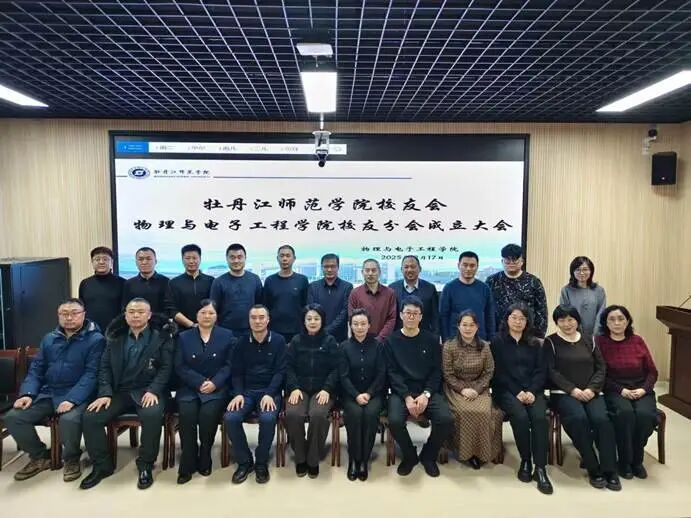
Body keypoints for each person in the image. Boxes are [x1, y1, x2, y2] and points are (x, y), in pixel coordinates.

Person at [5, 299, 104, 482]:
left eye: (74, 313)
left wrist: (72, 399)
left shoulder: (96, 340)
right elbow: (36, 369)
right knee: (14, 417)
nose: (69, 317)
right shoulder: (49, 338)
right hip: (48, 392)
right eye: (64, 314)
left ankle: (72, 458)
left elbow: (92, 374)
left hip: (79, 394)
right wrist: (27, 394)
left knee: (69, 419)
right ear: (58, 316)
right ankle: (40, 456)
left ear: (84, 315)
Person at [80, 298, 175, 490]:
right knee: (91, 416)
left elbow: (166, 368)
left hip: (148, 390)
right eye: (131, 312)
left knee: (152, 414)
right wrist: (105, 393)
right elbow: (104, 367)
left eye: (141, 312)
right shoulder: (115, 337)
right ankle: (102, 465)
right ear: (125, 315)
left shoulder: (161, 337)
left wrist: (153, 390)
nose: (136, 315)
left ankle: (145, 465)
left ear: (149, 315)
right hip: (120, 391)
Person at [545, 304, 620, 491]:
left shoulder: (589, 340)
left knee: (602, 420)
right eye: (562, 320)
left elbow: (601, 367)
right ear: (556, 322)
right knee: (579, 419)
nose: (567, 323)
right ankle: (593, 468)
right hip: (564, 393)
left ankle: (610, 470)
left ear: (577, 320)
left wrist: (592, 389)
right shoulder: (551, 342)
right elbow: (551, 371)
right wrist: (573, 390)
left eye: (570, 319)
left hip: (592, 392)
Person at [385, 296, 453, 477]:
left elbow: (436, 371)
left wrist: (426, 394)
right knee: (394, 421)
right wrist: (406, 396)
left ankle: (428, 455)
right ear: (401, 315)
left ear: (421, 317)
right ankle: (410, 456)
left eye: (415, 313)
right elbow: (392, 373)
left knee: (445, 419)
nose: (411, 317)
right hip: (401, 392)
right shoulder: (391, 341)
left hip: (427, 391)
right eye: (408, 312)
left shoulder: (431, 339)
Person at [491, 303, 552, 494]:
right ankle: (525, 460)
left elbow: (541, 371)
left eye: (522, 318)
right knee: (520, 417)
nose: (518, 322)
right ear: (507, 319)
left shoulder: (536, 343)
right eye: (514, 317)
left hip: (534, 390)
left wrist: (532, 391)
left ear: (527, 322)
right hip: (507, 391)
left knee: (540, 418)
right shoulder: (497, 342)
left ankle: (540, 468)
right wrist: (517, 392)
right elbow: (499, 372)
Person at [225, 305, 287, 485]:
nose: (257, 321)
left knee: (268, 419)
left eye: (261, 317)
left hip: (270, 391)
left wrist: (270, 393)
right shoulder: (241, 342)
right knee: (231, 417)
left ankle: (261, 462)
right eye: (253, 317)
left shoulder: (279, 341)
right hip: (246, 392)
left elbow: (280, 371)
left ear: (268, 320)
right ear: (249, 320)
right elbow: (236, 372)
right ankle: (245, 462)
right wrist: (238, 393)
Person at [174, 300, 234, 484]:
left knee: (208, 415)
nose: (207, 316)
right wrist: (199, 382)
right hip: (190, 387)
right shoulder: (183, 337)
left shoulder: (226, 335)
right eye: (203, 313)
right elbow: (180, 366)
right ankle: (188, 459)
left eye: (211, 313)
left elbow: (229, 365)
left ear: (216, 316)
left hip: (217, 387)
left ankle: (205, 454)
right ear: (196, 315)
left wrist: (215, 383)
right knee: (187, 414)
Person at [596, 305, 658, 480]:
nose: (617, 323)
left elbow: (652, 372)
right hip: (615, 389)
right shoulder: (599, 342)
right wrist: (620, 390)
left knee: (645, 416)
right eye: (612, 319)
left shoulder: (637, 340)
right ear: (605, 322)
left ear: (628, 321)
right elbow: (599, 374)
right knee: (625, 414)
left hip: (641, 389)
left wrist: (643, 389)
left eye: (621, 319)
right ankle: (624, 462)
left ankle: (637, 461)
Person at [284, 304, 340, 478]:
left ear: (322, 321)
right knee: (293, 414)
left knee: (318, 414)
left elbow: (336, 369)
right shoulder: (296, 341)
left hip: (322, 390)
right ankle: (301, 457)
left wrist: (327, 389)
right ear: (303, 321)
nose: (313, 322)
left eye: (316, 318)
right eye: (309, 319)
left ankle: (312, 459)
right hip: (299, 389)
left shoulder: (330, 341)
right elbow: (288, 367)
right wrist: (294, 387)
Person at [442, 310, 502, 470]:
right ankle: (466, 453)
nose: (468, 328)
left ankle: (481, 453)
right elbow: (447, 374)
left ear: (477, 327)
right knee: (464, 411)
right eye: (464, 325)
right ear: (458, 326)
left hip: (479, 387)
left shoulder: (485, 346)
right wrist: (463, 389)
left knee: (484, 412)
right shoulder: (449, 346)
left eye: (471, 325)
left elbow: (489, 371)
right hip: (455, 388)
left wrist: (476, 389)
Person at [339, 308, 385, 481]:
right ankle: (354, 458)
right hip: (351, 394)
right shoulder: (344, 347)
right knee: (355, 415)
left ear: (369, 325)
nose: (359, 327)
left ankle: (364, 459)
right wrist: (356, 395)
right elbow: (343, 376)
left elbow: (381, 374)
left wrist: (369, 393)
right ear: (350, 326)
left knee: (371, 415)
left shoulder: (378, 346)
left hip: (374, 393)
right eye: (356, 324)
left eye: (363, 324)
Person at [486, 244, 548, 338]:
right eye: (507, 260)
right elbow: (486, 309)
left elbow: (541, 311)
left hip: (527, 336)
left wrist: (539, 337)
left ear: (522, 261)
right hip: (498, 336)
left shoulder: (533, 282)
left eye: (514, 259)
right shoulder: (492, 281)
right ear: (502, 261)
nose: (511, 263)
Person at [440, 251, 495, 341]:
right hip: (455, 341)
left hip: (480, 340)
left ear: (477, 267)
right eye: (465, 265)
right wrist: (445, 340)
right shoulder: (449, 288)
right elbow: (443, 316)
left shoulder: (485, 288)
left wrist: (491, 339)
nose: (468, 268)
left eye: (472, 265)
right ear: (458, 265)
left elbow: (489, 316)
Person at [210, 243, 263, 337]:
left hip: (251, 331)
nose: (236, 261)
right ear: (227, 259)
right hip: (226, 332)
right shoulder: (218, 282)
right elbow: (213, 310)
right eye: (232, 257)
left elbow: (260, 306)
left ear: (245, 258)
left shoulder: (255, 279)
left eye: (239, 257)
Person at [263, 245, 309, 343]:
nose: (284, 259)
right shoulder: (270, 280)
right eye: (282, 256)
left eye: (288, 256)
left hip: (297, 330)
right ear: (277, 258)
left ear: (294, 258)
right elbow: (265, 306)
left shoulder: (302, 280)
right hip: (274, 329)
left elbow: (306, 305)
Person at [165, 244, 214, 331]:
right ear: (182, 260)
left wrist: (204, 324)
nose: (191, 261)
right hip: (182, 330)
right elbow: (172, 309)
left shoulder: (211, 281)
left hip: (207, 328)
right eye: (187, 258)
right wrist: (191, 325)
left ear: (200, 259)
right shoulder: (174, 283)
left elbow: (215, 306)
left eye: (194, 258)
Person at [348, 259, 397, 343]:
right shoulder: (355, 293)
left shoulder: (390, 293)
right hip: (361, 341)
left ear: (379, 272)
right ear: (362, 272)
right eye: (367, 270)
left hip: (383, 342)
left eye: (374, 270)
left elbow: (391, 319)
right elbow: (352, 318)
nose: (370, 273)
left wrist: (379, 339)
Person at [307, 253, 353, 342]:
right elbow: (311, 310)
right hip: (317, 336)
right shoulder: (313, 286)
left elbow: (345, 313)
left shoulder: (347, 287)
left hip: (340, 338)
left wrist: (327, 330)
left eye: (333, 266)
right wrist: (319, 330)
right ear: (322, 268)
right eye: (326, 266)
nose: (329, 269)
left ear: (338, 267)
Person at [79, 246, 125, 333]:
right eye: (97, 259)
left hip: (115, 332)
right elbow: (81, 309)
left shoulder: (123, 283)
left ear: (112, 262)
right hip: (90, 332)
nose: (101, 262)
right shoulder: (85, 283)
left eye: (105, 259)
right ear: (92, 262)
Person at [388, 255, 439, 334]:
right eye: (406, 267)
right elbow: (390, 317)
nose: (409, 270)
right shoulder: (392, 288)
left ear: (420, 269)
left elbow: (435, 316)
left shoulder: (430, 288)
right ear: (401, 269)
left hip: (424, 336)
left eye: (413, 267)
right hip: (398, 336)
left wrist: (436, 336)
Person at [559, 256, 606, 337]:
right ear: (572, 272)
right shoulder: (566, 290)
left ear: (591, 271)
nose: (581, 273)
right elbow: (565, 313)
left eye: (585, 269)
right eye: (578, 269)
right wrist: (575, 332)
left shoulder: (599, 290)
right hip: (573, 334)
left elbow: (601, 313)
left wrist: (596, 334)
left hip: (595, 335)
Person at [121, 247, 170, 313]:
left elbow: (169, 307)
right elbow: (125, 308)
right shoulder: (129, 284)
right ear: (136, 262)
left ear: (155, 261)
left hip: (160, 319)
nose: (144, 262)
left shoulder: (166, 282)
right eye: (140, 259)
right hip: (136, 319)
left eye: (148, 259)